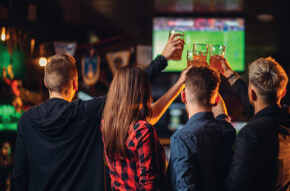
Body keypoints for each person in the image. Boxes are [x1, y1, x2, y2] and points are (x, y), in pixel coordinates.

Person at [12, 34, 184, 191]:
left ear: (45, 82)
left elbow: (19, 177)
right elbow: (128, 89)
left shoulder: (26, 120)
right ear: (74, 83)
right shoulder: (85, 112)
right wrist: (162, 59)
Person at [220, 56, 290, 191]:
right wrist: (229, 74)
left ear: (251, 94)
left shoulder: (250, 134)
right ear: (283, 92)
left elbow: (233, 186)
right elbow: (262, 108)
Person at [102, 66, 188, 190]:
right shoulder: (143, 130)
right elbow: (149, 185)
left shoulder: (106, 123)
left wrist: (180, 83)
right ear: (142, 91)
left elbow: (151, 115)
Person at [167, 67, 236, 191]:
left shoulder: (180, 139)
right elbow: (222, 115)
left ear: (183, 96)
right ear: (216, 100)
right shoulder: (226, 129)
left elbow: (186, 188)